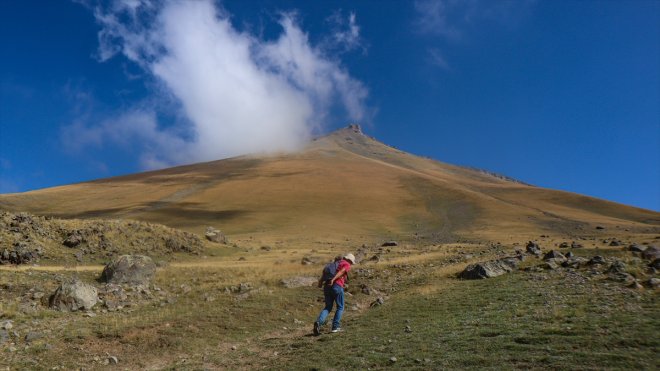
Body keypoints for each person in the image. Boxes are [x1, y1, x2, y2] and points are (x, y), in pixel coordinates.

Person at [313, 253, 355, 335]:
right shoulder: (346, 264)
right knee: (340, 307)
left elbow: (321, 278)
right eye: (351, 262)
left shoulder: (330, 265)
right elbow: (342, 271)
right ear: (349, 260)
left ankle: (318, 322)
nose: (351, 264)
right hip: (336, 285)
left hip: (327, 287)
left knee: (328, 307)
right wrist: (334, 279)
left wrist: (320, 283)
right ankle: (335, 327)